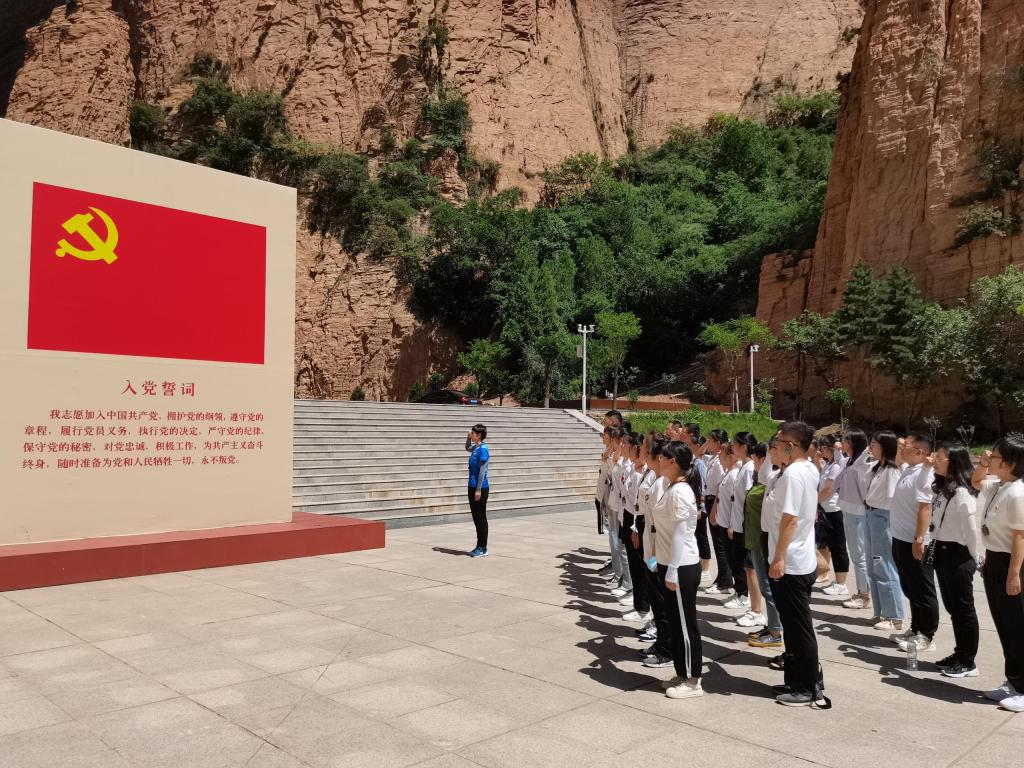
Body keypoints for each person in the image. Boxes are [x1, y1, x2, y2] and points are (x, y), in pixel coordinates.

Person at [768, 421, 828, 707]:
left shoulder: (793, 473)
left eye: (778, 443)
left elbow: (790, 519)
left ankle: (808, 686)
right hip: (798, 558)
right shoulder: (808, 469)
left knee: (799, 627)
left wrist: (779, 557)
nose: (775, 447)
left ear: (791, 446)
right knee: (793, 627)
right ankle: (795, 679)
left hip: (791, 562)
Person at [972, 434, 1024, 713]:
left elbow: (1020, 538)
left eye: (993, 457)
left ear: (1009, 463)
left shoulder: (1017, 493)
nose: (988, 459)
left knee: (1018, 626)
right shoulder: (999, 486)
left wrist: (1014, 574)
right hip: (994, 560)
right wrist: (983, 465)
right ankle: (1013, 681)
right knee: (1004, 624)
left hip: (1011, 563)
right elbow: (975, 482)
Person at [649, 441, 705, 699]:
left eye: (662, 457)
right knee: (675, 623)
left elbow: (682, 532)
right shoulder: (671, 486)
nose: (658, 460)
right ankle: (682, 673)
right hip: (669, 563)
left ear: (673, 462)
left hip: (681, 566)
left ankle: (693, 680)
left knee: (685, 625)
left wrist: (672, 569)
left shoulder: (681, 491)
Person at [930, 442, 981, 678]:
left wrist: (975, 557)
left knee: (963, 609)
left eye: (940, 458)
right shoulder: (944, 489)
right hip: (943, 551)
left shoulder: (962, 493)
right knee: (953, 608)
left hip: (958, 554)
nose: (934, 460)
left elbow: (971, 530)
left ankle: (968, 661)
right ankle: (960, 653)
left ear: (954, 462)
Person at [889, 432, 938, 652]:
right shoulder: (909, 469)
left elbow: (925, 508)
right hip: (900, 538)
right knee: (910, 587)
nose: (901, 448)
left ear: (919, 451)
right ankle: (916, 628)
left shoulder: (925, 474)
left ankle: (927, 636)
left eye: (906, 446)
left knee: (923, 588)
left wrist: (919, 538)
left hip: (916, 541)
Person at [863, 431, 906, 632]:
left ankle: (894, 615)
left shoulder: (891, 470)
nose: (871, 447)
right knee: (873, 566)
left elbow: (891, 499)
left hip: (883, 517)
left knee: (884, 564)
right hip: (871, 514)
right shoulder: (876, 467)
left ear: (885, 446)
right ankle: (881, 611)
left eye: (874, 444)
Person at [748, 439, 784, 649]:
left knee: (768, 587)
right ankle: (772, 625)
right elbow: (763, 476)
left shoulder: (785, 477)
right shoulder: (772, 476)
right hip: (761, 536)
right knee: (765, 585)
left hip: (771, 538)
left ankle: (776, 630)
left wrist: (769, 455)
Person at [834, 429, 873, 610]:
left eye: (845, 440)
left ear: (853, 443)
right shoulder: (849, 461)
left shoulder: (862, 463)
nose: (842, 443)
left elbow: (865, 490)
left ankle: (864, 594)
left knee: (859, 555)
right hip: (847, 510)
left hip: (858, 512)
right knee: (856, 554)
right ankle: (861, 591)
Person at [727, 432, 758, 618]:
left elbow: (748, 498)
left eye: (735, 444)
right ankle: (742, 592)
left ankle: (744, 595)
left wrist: (741, 525)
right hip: (738, 522)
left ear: (744, 446)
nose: (732, 446)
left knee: (745, 564)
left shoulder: (749, 468)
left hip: (743, 524)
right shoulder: (743, 466)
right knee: (738, 561)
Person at [815, 437, 851, 597]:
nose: (821, 450)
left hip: (834, 510)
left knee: (838, 547)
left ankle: (841, 583)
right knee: (831, 545)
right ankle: (837, 580)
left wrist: (815, 502)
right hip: (826, 509)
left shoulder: (836, 466)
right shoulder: (829, 464)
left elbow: (828, 489)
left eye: (823, 447)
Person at [621, 433, 652, 622]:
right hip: (631, 519)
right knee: (635, 566)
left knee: (641, 567)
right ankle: (640, 604)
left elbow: (640, 504)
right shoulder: (636, 469)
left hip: (639, 523)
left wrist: (635, 528)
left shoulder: (645, 473)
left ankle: (643, 607)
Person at [703, 430, 733, 594]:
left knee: (720, 544)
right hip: (710, 499)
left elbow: (720, 486)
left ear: (719, 443)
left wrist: (714, 507)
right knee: (717, 543)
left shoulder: (721, 461)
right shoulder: (714, 458)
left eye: (710, 440)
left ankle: (725, 581)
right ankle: (722, 577)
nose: (708, 443)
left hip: (715, 500)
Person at [465, 424, 490, 557]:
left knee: (480, 517)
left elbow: (482, 471)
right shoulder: (476, 447)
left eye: (473, 434)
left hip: (480, 487)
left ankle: (482, 547)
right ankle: (479, 546)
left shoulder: (483, 449)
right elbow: (467, 447)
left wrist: (478, 489)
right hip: (472, 485)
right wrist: (468, 437)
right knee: (476, 517)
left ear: (479, 435)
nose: (472, 435)